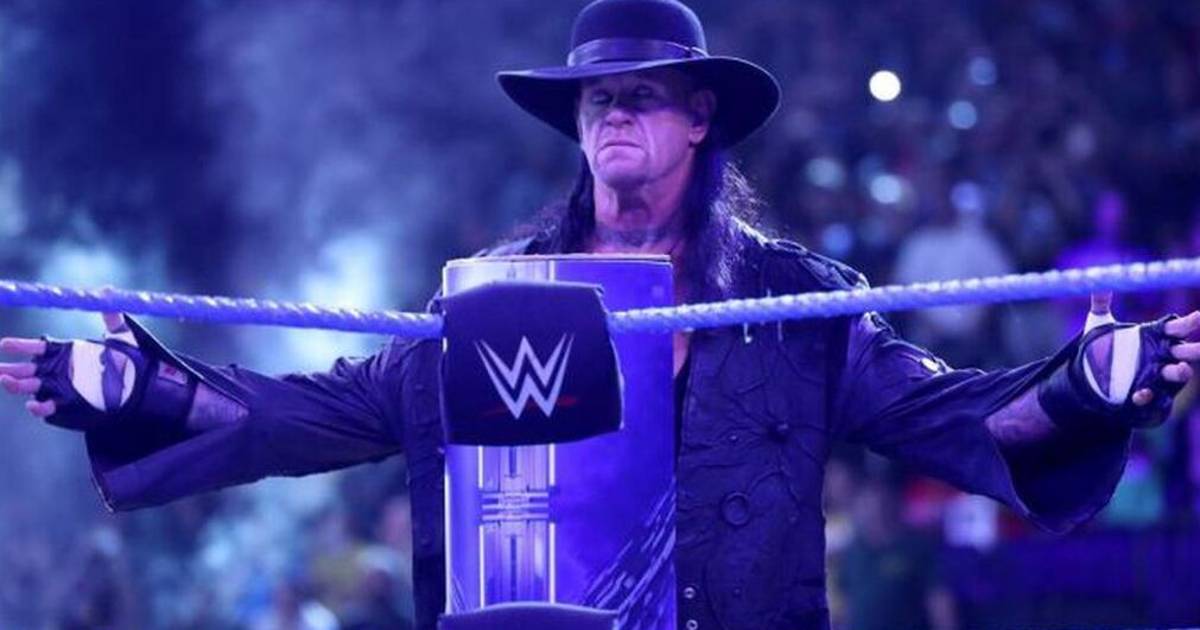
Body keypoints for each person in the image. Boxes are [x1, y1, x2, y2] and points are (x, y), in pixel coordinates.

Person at [1, 1, 1198, 628]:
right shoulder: (495, 298)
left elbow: (960, 422)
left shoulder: (794, 304)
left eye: (642, 95)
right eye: (594, 100)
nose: (613, 113)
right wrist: (144, 391)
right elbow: (316, 414)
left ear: (699, 120)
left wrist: (1090, 389)